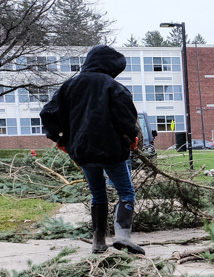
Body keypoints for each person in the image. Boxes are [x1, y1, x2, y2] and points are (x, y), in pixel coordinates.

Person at [40, 45, 145, 255]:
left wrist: (58, 138)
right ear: (109, 65)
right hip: (111, 150)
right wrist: (132, 138)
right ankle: (123, 237)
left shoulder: (68, 86)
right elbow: (126, 116)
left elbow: (48, 113)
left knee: (98, 195)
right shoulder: (112, 86)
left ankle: (98, 242)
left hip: (82, 151)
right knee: (126, 192)